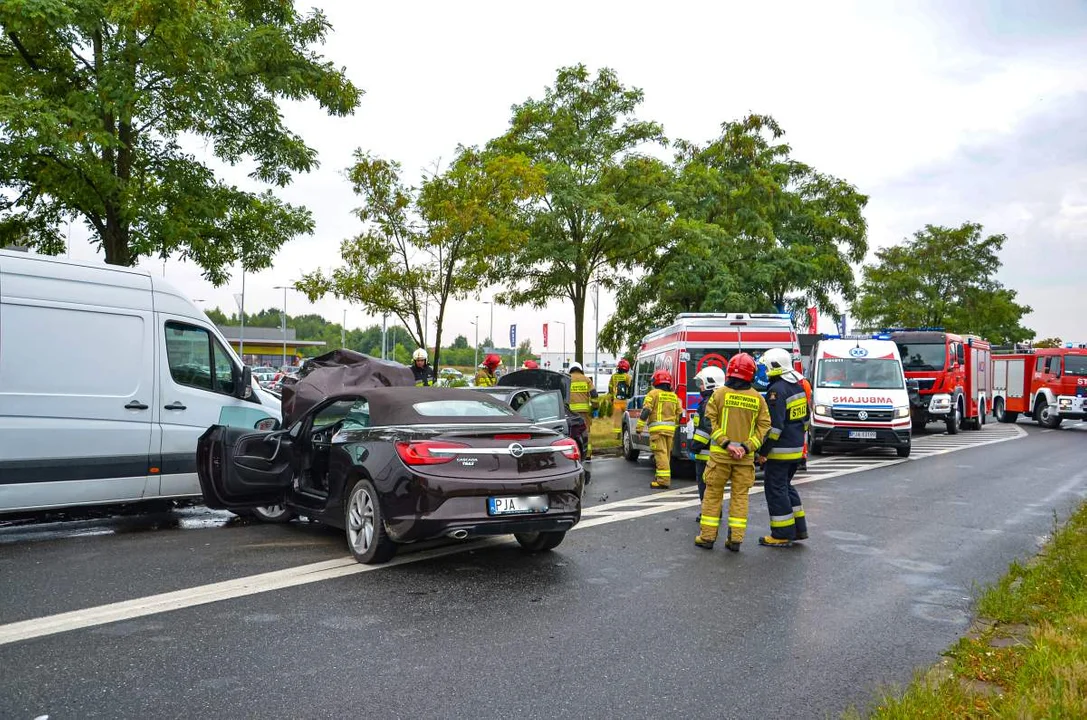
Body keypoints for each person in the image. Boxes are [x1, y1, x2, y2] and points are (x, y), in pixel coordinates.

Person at [695, 353, 771, 551]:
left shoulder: (719, 394)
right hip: (744, 459)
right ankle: (735, 540)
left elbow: (708, 421)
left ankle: (707, 538)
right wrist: (746, 447)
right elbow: (765, 428)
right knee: (740, 498)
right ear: (751, 374)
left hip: (720, 457)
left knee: (712, 496)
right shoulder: (758, 399)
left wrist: (726, 444)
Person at [754, 347, 810, 547]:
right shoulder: (798, 386)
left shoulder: (777, 390)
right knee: (786, 487)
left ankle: (781, 534)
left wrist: (763, 452)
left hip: (780, 452)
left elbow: (774, 428)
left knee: (776, 490)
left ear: (773, 366)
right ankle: (798, 528)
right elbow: (806, 420)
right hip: (795, 449)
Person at [636, 369, 680, 489]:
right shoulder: (674, 396)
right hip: (670, 431)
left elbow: (646, 410)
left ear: (656, 381)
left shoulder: (653, 394)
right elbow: (679, 413)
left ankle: (663, 481)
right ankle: (661, 476)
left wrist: (639, 427)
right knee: (666, 455)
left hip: (657, 431)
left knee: (660, 454)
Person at [689, 365, 726, 504]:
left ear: (710, 383)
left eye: (702, 383)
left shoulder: (707, 404)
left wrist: (694, 446)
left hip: (706, 453)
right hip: (717, 451)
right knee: (715, 486)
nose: (700, 387)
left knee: (705, 485)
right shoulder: (721, 400)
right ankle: (715, 510)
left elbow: (705, 429)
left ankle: (708, 511)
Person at [567, 362, 598, 459]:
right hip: (584, 412)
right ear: (580, 369)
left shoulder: (567, 379)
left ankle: (572, 453)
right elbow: (594, 394)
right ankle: (587, 455)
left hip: (570, 412)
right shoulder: (586, 379)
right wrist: (595, 407)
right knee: (586, 432)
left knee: (571, 433)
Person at [609, 358, 633, 439]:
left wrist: (611, 397)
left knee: (617, 419)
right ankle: (626, 433)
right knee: (627, 418)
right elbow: (631, 387)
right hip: (626, 401)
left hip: (616, 401)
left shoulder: (613, 376)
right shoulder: (627, 376)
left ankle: (618, 436)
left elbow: (610, 388)